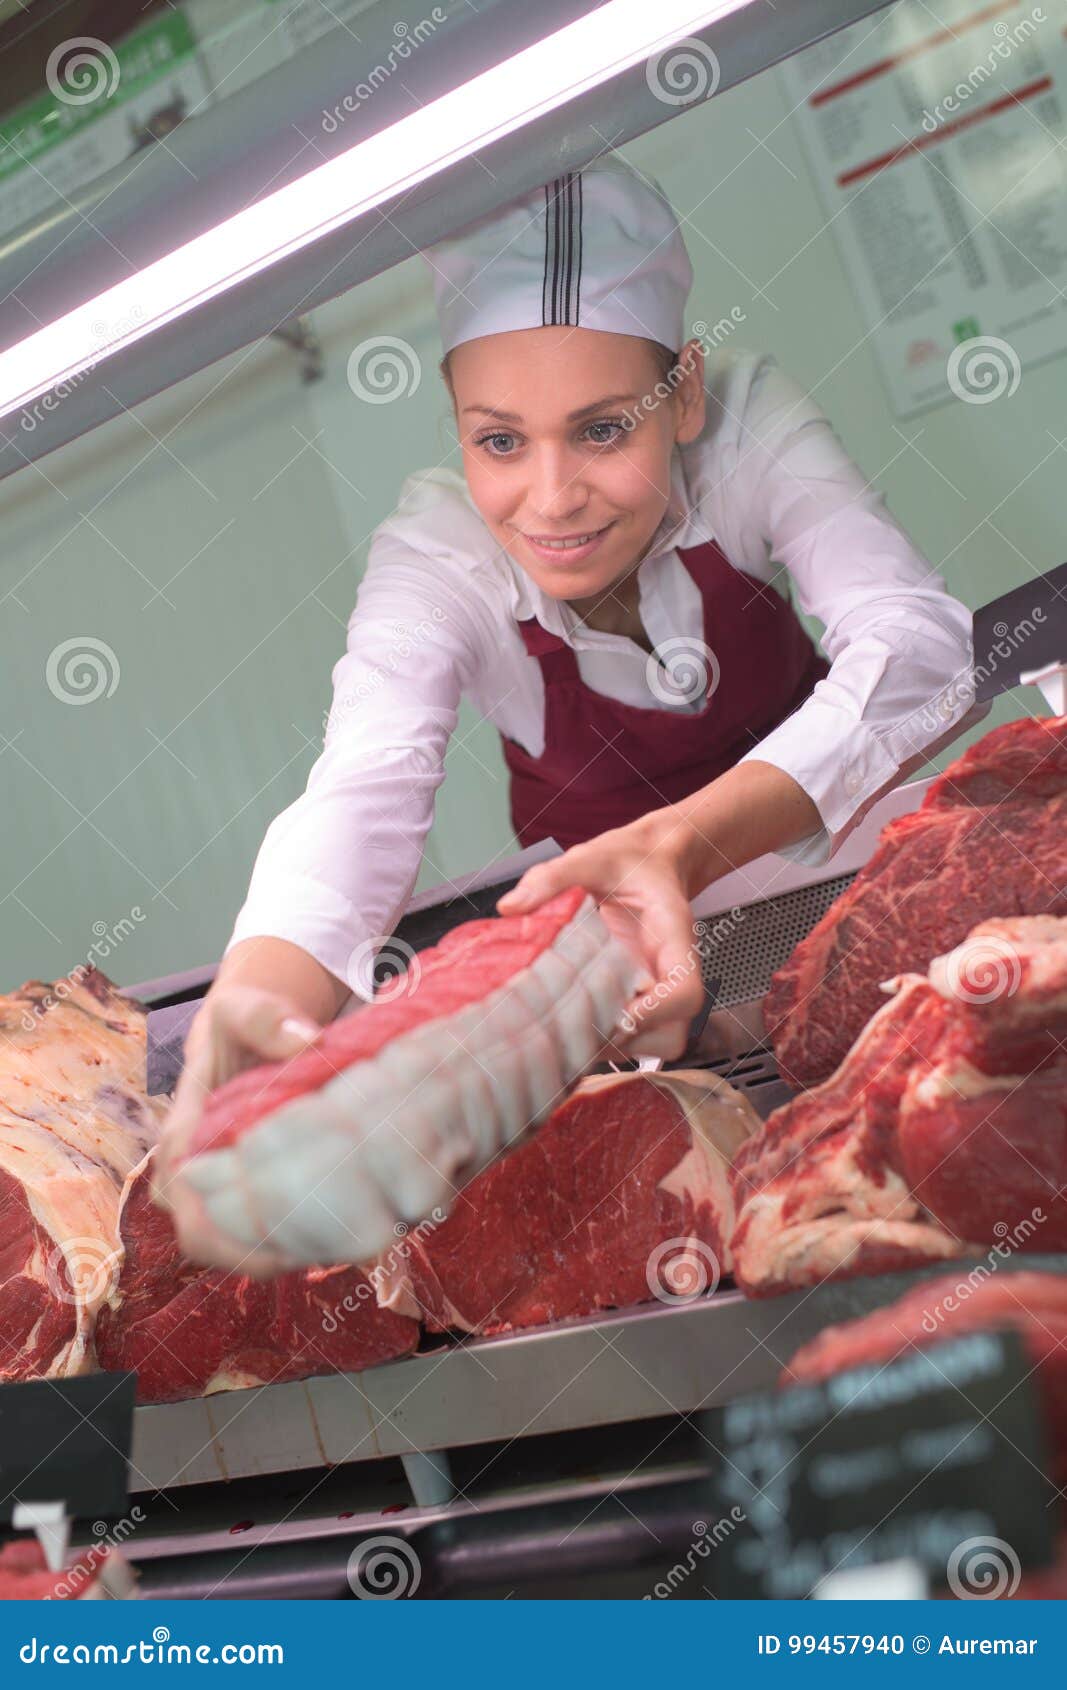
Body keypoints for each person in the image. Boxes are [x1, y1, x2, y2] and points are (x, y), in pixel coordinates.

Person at [156, 156, 974, 1270]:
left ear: (683, 392)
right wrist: (258, 998)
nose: (550, 500)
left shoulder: (746, 429)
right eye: (499, 440)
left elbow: (916, 643)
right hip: (614, 988)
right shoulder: (437, 552)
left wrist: (679, 845)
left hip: (851, 910)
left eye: (601, 430)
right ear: (455, 425)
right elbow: (363, 783)